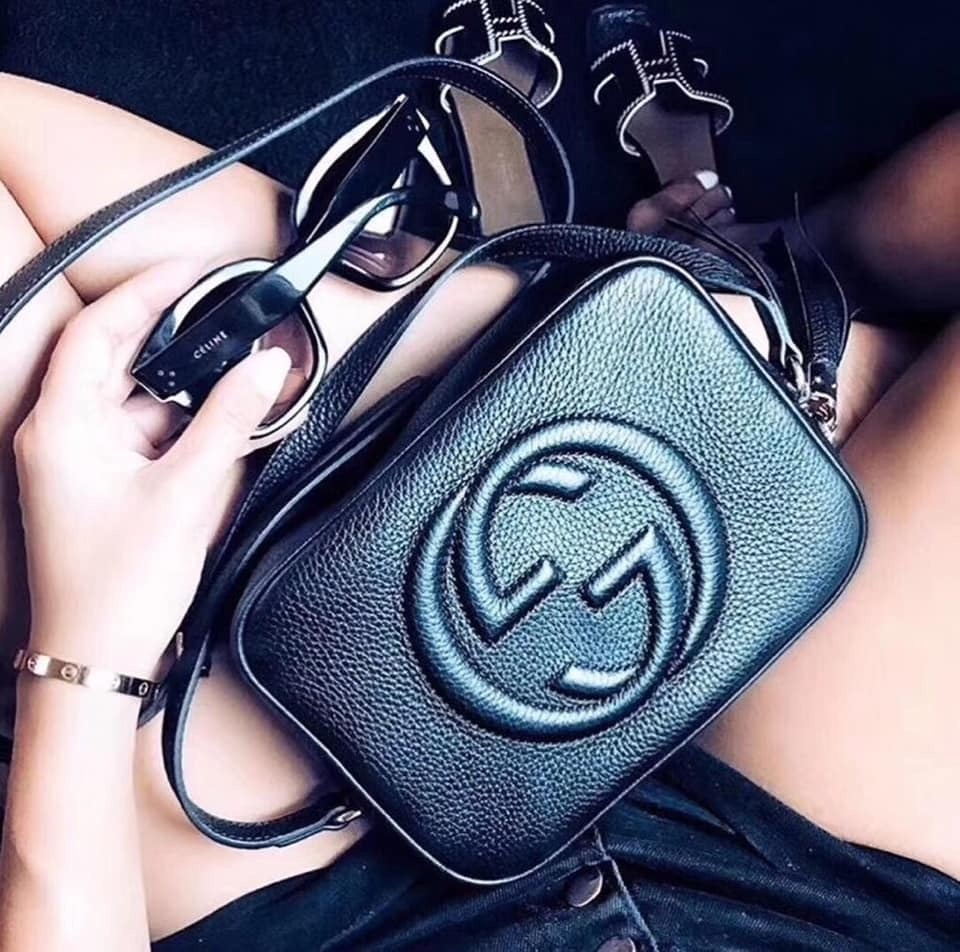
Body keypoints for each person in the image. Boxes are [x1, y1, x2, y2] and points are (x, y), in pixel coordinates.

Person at [0, 69, 958, 951]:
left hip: (339, 897)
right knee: (652, 358)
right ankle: (787, 275)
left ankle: (717, 341)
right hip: (805, 883)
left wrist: (88, 649)